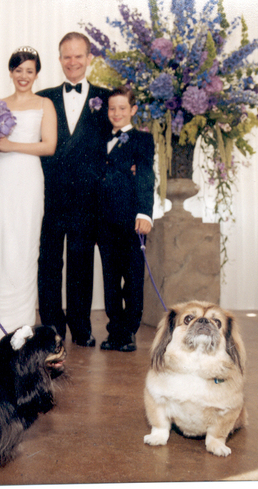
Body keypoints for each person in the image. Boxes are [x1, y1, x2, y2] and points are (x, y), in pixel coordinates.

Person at [36, 32, 111, 346]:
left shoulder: (108, 99)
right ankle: (50, 329)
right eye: (67, 56)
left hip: (88, 197)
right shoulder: (43, 98)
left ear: (89, 58)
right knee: (49, 263)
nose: (73, 62)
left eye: (79, 56)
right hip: (49, 195)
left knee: (81, 263)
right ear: (59, 59)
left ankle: (81, 327)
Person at [0, 46, 57, 344]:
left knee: (23, 250)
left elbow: (48, 146)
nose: (24, 76)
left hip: (27, 179)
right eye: (18, 70)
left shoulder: (44, 104)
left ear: (36, 74)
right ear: (11, 72)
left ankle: (21, 329)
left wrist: (11, 146)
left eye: (29, 71)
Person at [97, 86, 155, 352]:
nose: (116, 113)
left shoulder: (142, 140)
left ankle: (129, 331)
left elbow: (145, 175)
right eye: (112, 108)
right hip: (104, 220)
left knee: (132, 278)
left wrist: (144, 213)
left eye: (122, 108)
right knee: (110, 279)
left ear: (133, 110)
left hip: (132, 220)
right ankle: (114, 330)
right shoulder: (100, 138)